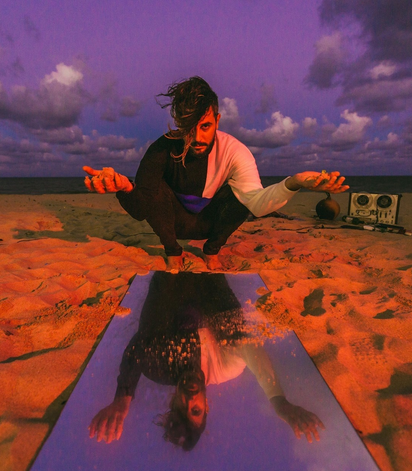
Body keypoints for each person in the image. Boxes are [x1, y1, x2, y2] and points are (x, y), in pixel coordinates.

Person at [83, 76, 349, 272]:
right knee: (156, 190)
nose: (197, 137)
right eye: (189, 127)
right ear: (178, 122)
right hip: (173, 224)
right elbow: (141, 209)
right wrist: (124, 187)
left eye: (205, 126)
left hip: (212, 223)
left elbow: (257, 204)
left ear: (217, 121)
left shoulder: (234, 151)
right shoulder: (161, 149)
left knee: (242, 196)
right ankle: (173, 252)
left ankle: (211, 251)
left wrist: (294, 183)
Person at [88, 272, 325, 449]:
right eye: (196, 409)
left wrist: (122, 399)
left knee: (151, 350)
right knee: (236, 334)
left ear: (173, 401)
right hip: (208, 278)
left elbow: (135, 349)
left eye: (181, 407)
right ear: (207, 406)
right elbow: (250, 349)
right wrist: (279, 402)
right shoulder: (226, 369)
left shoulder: (159, 369)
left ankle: (171, 269)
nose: (190, 399)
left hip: (171, 280)